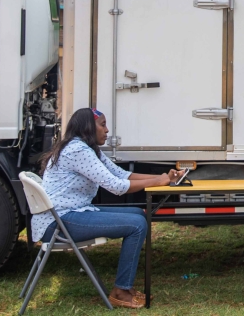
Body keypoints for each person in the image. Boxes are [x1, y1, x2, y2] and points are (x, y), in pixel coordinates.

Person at [31, 108, 183, 308]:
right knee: (137, 224)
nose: (107, 130)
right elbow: (117, 187)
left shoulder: (87, 148)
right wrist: (159, 181)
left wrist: (163, 178)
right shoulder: (78, 151)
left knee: (138, 214)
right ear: (88, 127)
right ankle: (121, 290)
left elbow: (122, 175)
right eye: (102, 124)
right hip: (59, 222)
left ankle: (125, 289)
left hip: (67, 215)